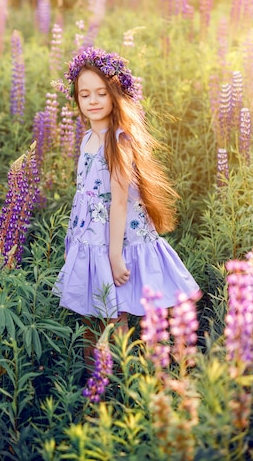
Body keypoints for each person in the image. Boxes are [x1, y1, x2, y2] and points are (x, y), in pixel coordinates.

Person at [53, 47, 200, 359]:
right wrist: (75, 242)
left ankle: (131, 375)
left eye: (101, 94)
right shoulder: (87, 139)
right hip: (92, 237)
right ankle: (102, 378)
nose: (92, 101)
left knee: (115, 311)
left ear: (115, 95)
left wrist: (115, 255)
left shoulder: (119, 140)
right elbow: (85, 197)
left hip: (121, 239)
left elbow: (118, 203)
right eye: (84, 94)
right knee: (96, 311)